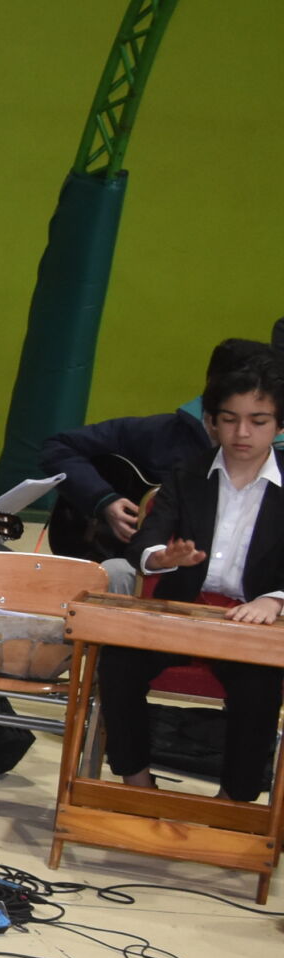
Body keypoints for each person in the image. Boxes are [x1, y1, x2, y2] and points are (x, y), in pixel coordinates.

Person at [98, 362, 284, 804]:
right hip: (181, 611)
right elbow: (145, 542)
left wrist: (275, 600)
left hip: (251, 622)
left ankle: (233, 803)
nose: (242, 432)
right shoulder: (186, 474)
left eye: (258, 421)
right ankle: (137, 784)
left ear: (279, 426)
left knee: (259, 687)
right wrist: (161, 558)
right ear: (211, 422)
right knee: (118, 663)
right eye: (229, 419)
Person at [41, 336, 273, 583]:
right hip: (137, 561)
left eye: (259, 420)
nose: (243, 431)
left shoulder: (273, 460)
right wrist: (104, 500)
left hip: (232, 582)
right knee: (115, 572)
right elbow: (58, 447)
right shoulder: (159, 433)